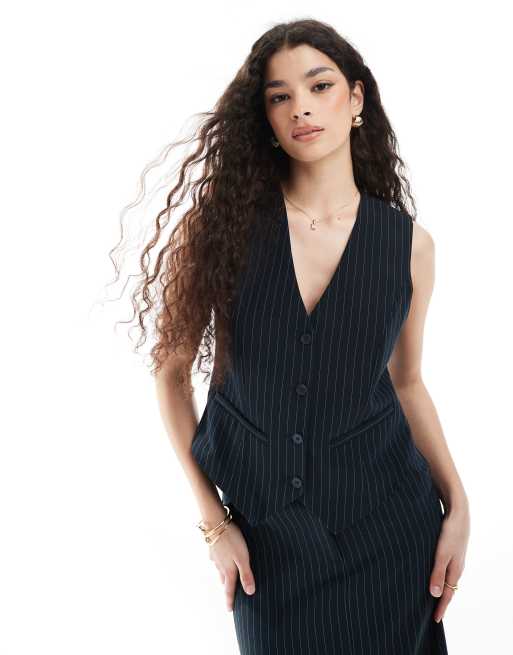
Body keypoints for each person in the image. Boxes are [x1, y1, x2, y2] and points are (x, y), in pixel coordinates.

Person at [120, 18, 470, 655]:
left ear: (356, 100)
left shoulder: (409, 246)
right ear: (266, 118)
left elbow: (407, 382)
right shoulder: (218, 229)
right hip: (268, 544)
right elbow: (170, 374)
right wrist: (214, 523)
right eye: (279, 96)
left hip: (392, 532)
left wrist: (459, 506)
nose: (301, 107)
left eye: (319, 86)